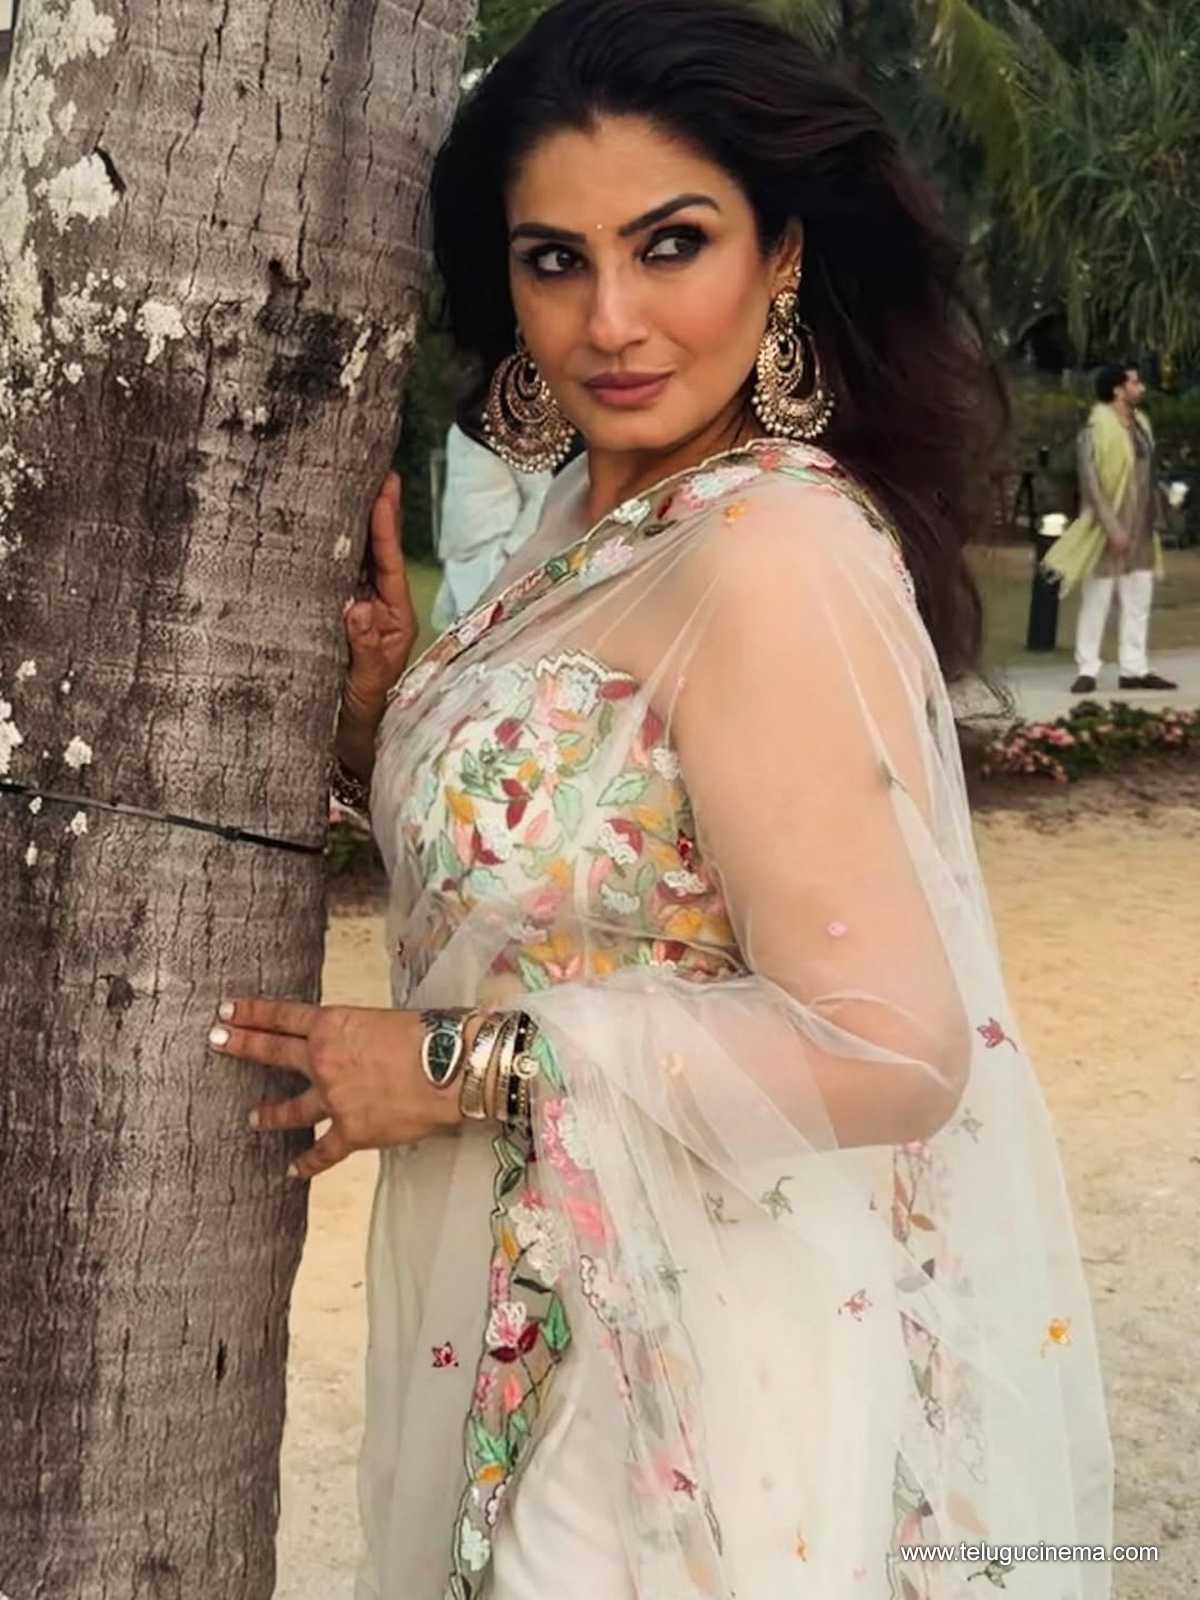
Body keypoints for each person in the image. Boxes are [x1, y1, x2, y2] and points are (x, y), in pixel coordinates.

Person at [208, 3, 1112, 1595]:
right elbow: (615, 863)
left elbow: (894, 1047)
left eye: (670, 245)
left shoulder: (769, 552)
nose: (610, 321)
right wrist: (387, 723)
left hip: (687, 1363)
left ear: (783, 255)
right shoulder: (595, 509)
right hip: (550, 1293)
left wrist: (452, 1062)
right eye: (555, 260)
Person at [1043, 363, 1177, 695]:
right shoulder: (1094, 430)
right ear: (1118, 390)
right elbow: (1091, 486)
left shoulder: (1142, 425)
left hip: (1142, 528)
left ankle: (1134, 669)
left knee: (1138, 600)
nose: (1140, 387)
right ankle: (1087, 668)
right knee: (1097, 600)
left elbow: (1148, 474)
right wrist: (1113, 528)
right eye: (1134, 382)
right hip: (1106, 530)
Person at [430, 422, 553, 633]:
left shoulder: (512, 430)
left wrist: (512, 551)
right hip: (458, 557)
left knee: (497, 640)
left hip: (494, 559)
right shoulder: (459, 429)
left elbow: (543, 493)